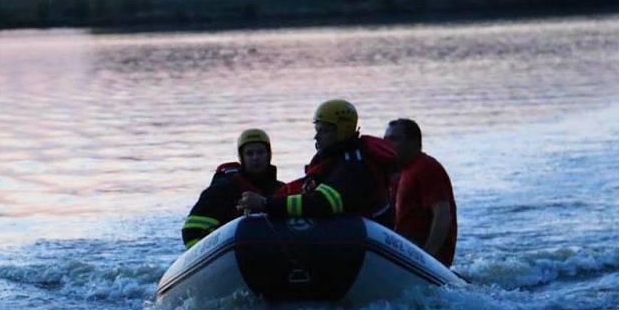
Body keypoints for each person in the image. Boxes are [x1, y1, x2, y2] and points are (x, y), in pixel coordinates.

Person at [237, 100, 395, 227]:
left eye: (324, 131)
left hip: (362, 235)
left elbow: (323, 203)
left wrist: (266, 204)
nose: (317, 137)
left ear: (342, 130)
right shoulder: (336, 160)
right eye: (317, 130)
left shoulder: (352, 163)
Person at [181, 128, 283, 249]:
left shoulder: (281, 189)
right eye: (249, 153)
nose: (255, 157)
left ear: (269, 155)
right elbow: (190, 231)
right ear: (241, 158)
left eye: (260, 152)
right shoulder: (222, 190)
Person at [384, 118, 457, 267]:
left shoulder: (426, 167)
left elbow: (442, 214)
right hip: (406, 250)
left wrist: (427, 257)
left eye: (394, 139)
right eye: (385, 140)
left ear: (414, 142)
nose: (388, 145)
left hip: (424, 257)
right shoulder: (402, 171)